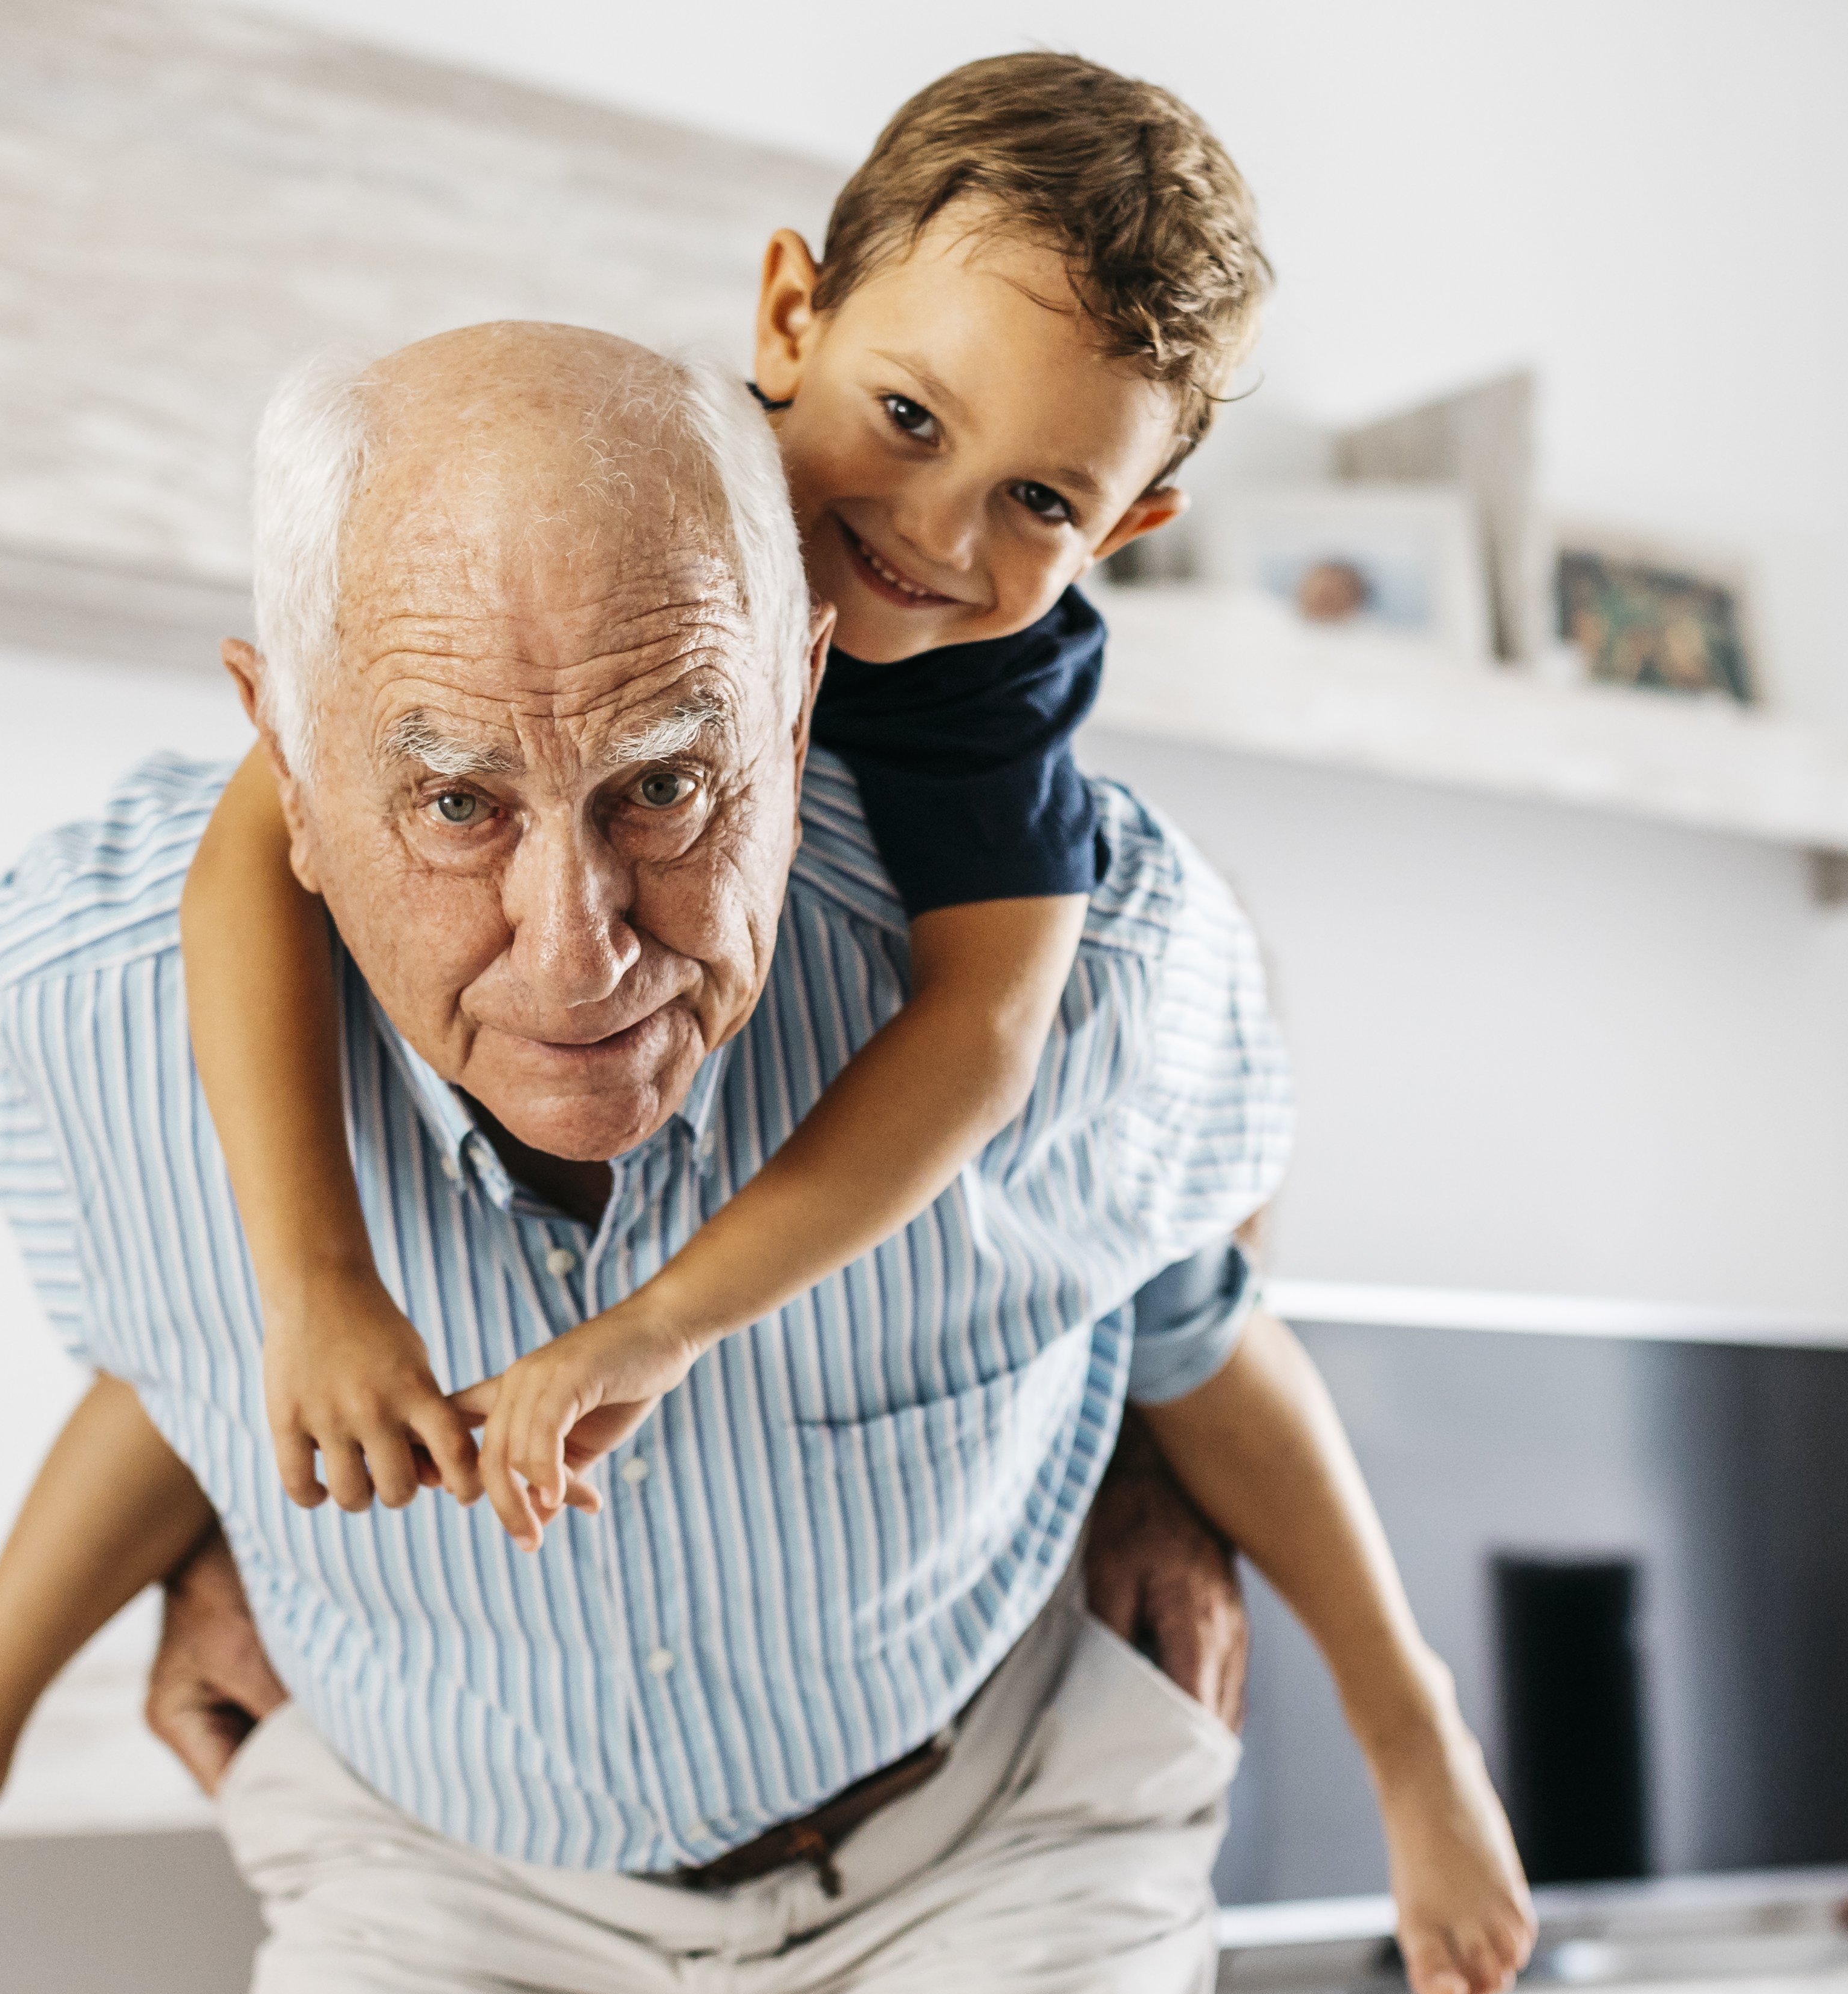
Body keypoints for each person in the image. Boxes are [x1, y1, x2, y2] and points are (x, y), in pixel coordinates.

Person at [0, 322, 1532, 1994]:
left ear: (791, 703)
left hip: (979, 1816)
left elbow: (1193, 1320)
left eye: (662, 786)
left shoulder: (1084, 982)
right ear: (290, 765)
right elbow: (162, 1380)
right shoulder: (101, 1015)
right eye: (458, 804)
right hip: (449, 1876)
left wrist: (1398, 1714)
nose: (578, 951)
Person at [177, 56, 1264, 1542]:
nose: (933, 533)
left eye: (1043, 503)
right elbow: (253, 845)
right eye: (908, 416)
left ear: (1125, 527)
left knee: (1209, 1286)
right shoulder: (628, 497)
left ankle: (1409, 1727)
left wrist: (668, 1321)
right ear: (788, 318)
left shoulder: (998, 685)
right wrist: (319, 1283)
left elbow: (985, 1034)